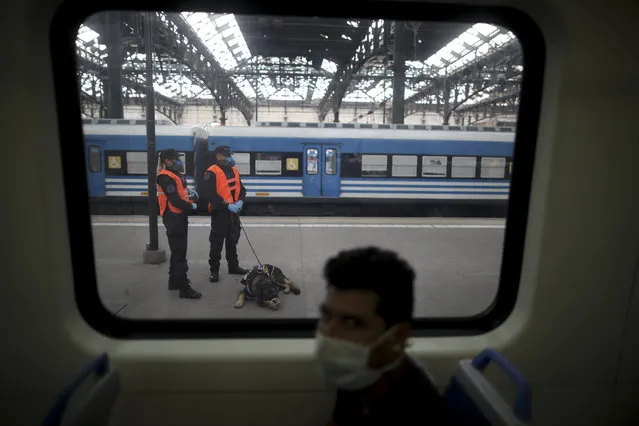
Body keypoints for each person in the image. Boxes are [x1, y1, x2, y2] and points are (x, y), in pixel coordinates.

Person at [314, 246, 455, 426]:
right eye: (327, 316)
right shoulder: (360, 377)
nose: (328, 333)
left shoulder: (415, 411)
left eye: (351, 323)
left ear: (397, 336)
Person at [156, 148, 202, 299]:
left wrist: (189, 193)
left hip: (179, 217)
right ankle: (184, 289)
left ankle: (174, 282)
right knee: (180, 254)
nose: (179, 161)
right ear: (167, 161)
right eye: (176, 159)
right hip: (173, 217)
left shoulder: (175, 174)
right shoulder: (164, 177)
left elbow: (180, 192)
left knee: (178, 252)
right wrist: (191, 206)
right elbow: (174, 199)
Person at [203, 145, 248, 282]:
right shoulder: (211, 172)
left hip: (233, 213)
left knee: (232, 240)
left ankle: (233, 266)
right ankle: (214, 271)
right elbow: (210, 195)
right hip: (220, 213)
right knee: (217, 242)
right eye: (227, 155)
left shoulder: (234, 170)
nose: (230, 158)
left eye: (230, 155)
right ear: (219, 156)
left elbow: (242, 189)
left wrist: (240, 201)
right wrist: (227, 206)